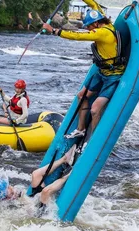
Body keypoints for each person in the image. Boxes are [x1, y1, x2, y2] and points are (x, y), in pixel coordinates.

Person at [42, 0, 126, 139]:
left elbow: (78, 36)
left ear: (96, 23)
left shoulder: (101, 33)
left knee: (95, 109)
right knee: (81, 96)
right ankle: (80, 129)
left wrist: (55, 31)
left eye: (89, 26)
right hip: (101, 73)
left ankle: (93, 139)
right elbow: (94, 5)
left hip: (113, 76)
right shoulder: (104, 21)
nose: (88, 29)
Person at [0, 145, 77, 213]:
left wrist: (21, 197)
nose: (11, 188)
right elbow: (31, 213)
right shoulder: (9, 208)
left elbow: (28, 198)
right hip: (40, 212)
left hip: (34, 201)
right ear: (4, 198)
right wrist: (21, 201)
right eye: (8, 189)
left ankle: (64, 159)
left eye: (9, 186)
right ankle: (70, 175)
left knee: (35, 174)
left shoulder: (13, 195)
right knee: (45, 191)